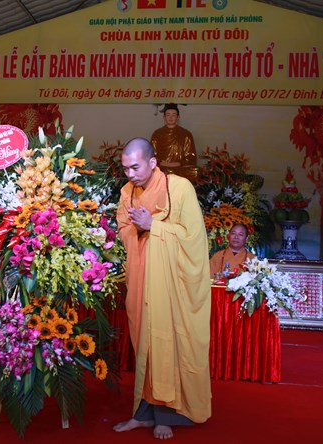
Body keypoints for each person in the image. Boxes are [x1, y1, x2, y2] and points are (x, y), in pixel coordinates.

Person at [114, 138, 211, 439]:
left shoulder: (179, 188)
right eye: (125, 169)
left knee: (166, 342)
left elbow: (194, 238)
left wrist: (154, 226)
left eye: (135, 167)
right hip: (141, 279)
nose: (130, 174)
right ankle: (144, 414)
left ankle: (166, 415)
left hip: (170, 285)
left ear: (153, 162)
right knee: (145, 345)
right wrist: (137, 227)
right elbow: (123, 228)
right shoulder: (127, 192)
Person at [150, 104, 198, 182]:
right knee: (150, 170)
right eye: (168, 115)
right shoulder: (157, 134)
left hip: (179, 167)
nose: (171, 117)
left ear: (178, 117)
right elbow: (152, 155)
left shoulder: (186, 134)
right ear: (164, 117)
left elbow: (191, 157)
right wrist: (163, 163)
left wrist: (178, 163)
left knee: (196, 171)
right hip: (162, 167)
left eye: (173, 115)